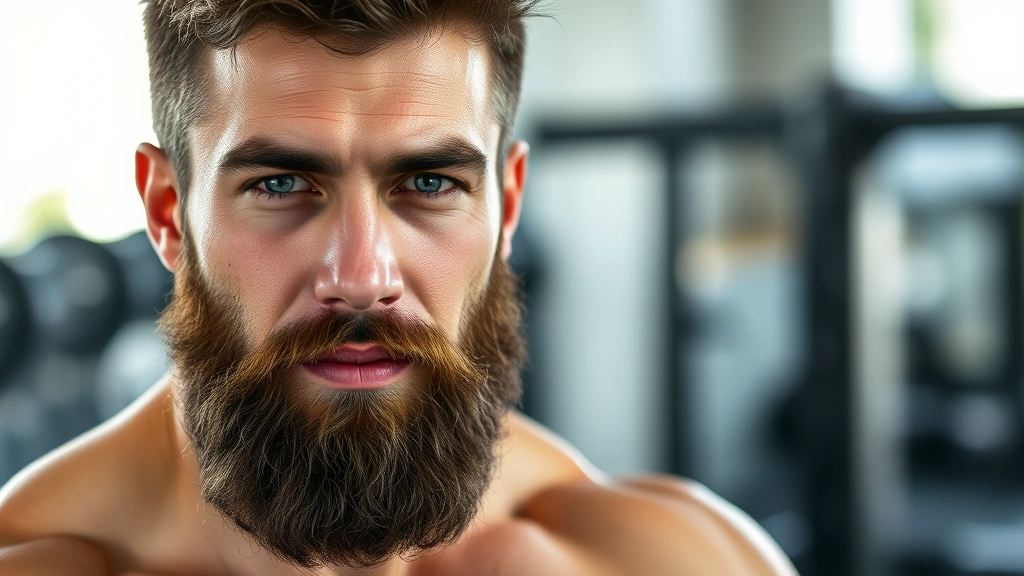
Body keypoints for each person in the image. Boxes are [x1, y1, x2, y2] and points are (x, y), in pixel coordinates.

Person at [0, 1, 798, 574]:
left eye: (427, 181)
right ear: (169, 212)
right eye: (281, 184)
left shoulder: (659, 559)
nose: (360, 279)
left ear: (507, 204)